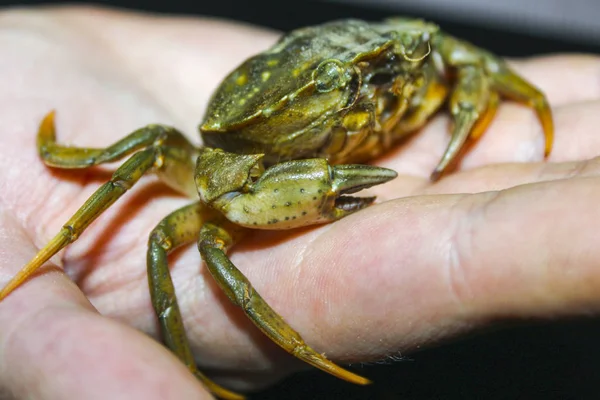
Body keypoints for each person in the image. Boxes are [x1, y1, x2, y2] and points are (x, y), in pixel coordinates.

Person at [1, 6, 599, 399]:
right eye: (343, 87)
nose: (372, 92)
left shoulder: (401, 59)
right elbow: (199, 210)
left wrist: (458, 84)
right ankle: (198, 364)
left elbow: (459, 56)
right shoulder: (228, 150)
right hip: (262, 154)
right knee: (176, 242)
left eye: (392, 69)